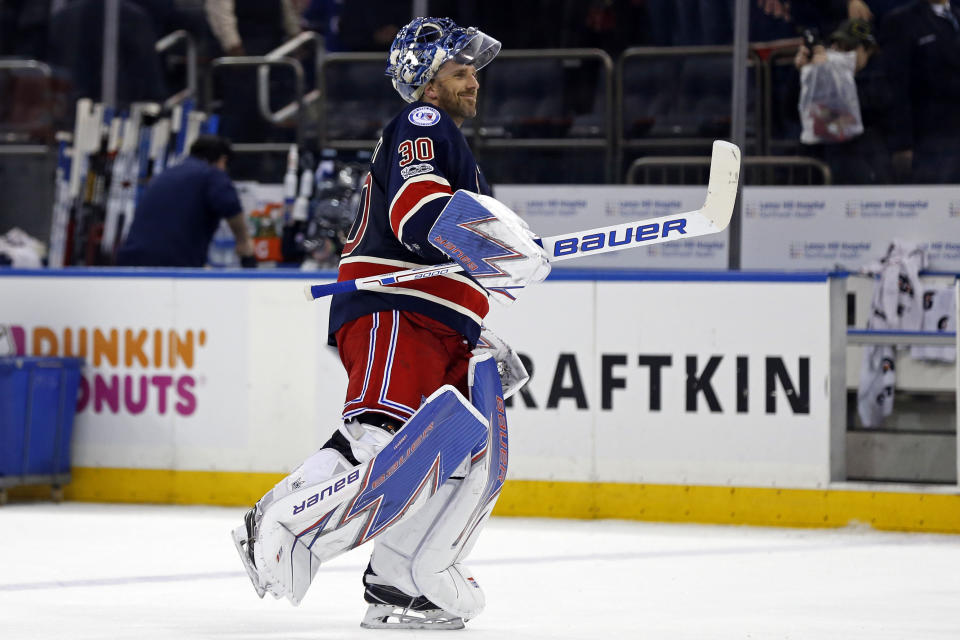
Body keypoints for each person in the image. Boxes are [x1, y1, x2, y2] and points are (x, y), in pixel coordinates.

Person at [230, 17, 550, 630]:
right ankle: (279, 522)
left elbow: (452, 255)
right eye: (460, 72)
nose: (473, 82)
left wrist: (478, 324)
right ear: (429, 85)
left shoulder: (453, 145)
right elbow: (416, 212)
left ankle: (400, 585)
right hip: (394, 313)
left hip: (437, 320)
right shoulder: (423, 124)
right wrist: (498, 245)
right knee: (382, 440)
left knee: (460, 461)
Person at [115, 135, 256, 267]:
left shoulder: (166, 174)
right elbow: (231, 207)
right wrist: (243, 242)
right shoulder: (211, 174)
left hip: (130, 261)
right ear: (222, 160)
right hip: (172, 264)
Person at [794, 17, 895, 183]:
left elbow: (861, 114)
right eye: (837, 46)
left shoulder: (881, 76)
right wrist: (804, 73)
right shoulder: (825, 71)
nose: (841, 53)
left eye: (849, 48)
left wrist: (835, 81)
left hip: (864, 165)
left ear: (868, 50)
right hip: (820, 162)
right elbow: (792, 111)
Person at [878, 0, 960, 183]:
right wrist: (902, 143)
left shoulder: (956, 15)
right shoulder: (901, 21)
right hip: (930, 139)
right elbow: (896, 86)